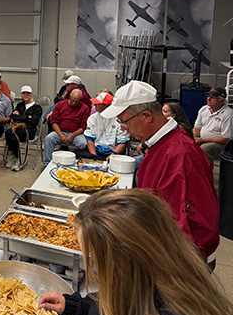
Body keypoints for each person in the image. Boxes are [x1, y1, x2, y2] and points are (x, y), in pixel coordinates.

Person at [39, 189, 233, 315]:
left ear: (123, 263)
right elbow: (107, 305)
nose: (93, 264)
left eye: (94, 257)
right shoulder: (145, 285)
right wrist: (74, 307)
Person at [101, 80, 219, 264]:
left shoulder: (181, 155)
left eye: (124, 122)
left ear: (147, 116)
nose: (124, 129)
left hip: (183, 260)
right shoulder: (158, 144)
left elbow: (185, 223)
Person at [43, 89, 89, 166]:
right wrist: (60, 135)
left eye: (76, 101)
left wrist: (72, 136)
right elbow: (54, 122)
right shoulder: (60, 105)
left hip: (76, 134)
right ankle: (48, 163)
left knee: (83, 143)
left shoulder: (85, 108)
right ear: (70, 97)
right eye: (72, 100)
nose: (74, 103)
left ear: (80, 100)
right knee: (49, 139)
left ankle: (76, 163)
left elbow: (83, 127)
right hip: (60, 131)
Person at [5, 85, 42, 171]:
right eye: (23, 93)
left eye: (28, 93)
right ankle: (10, 155)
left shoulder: (37, 107)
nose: (26, 95)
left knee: (14, 138)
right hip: (17, 127)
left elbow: (33, 122)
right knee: (8, 132)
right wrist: (27, 117)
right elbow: (14, 117)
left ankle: (18, 160)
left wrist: (21, 116)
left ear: (31, 94)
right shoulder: (20, 105)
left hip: (29, 131)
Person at [82, 91, 129, 160]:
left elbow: (122, 142)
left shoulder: (119, 119)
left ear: (106, 106)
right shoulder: (93, 118)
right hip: (96, 151)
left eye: (98, 104)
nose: (94, 105)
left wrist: (113, 155)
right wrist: (94, 157)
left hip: (114, 153)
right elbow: (90, 139)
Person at [192, 87, 232, 165]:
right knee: (186, 144)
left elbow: (226, 138)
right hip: (202, 140)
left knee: (205, 148)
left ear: (222, 100)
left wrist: (203, 140)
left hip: (221, 144)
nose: (209, 99)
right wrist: (195, 138)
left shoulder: (228, 114)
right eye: (208, 96)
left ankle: (206, 174)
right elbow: (197, 127)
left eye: (213, 97)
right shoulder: (203, 109)